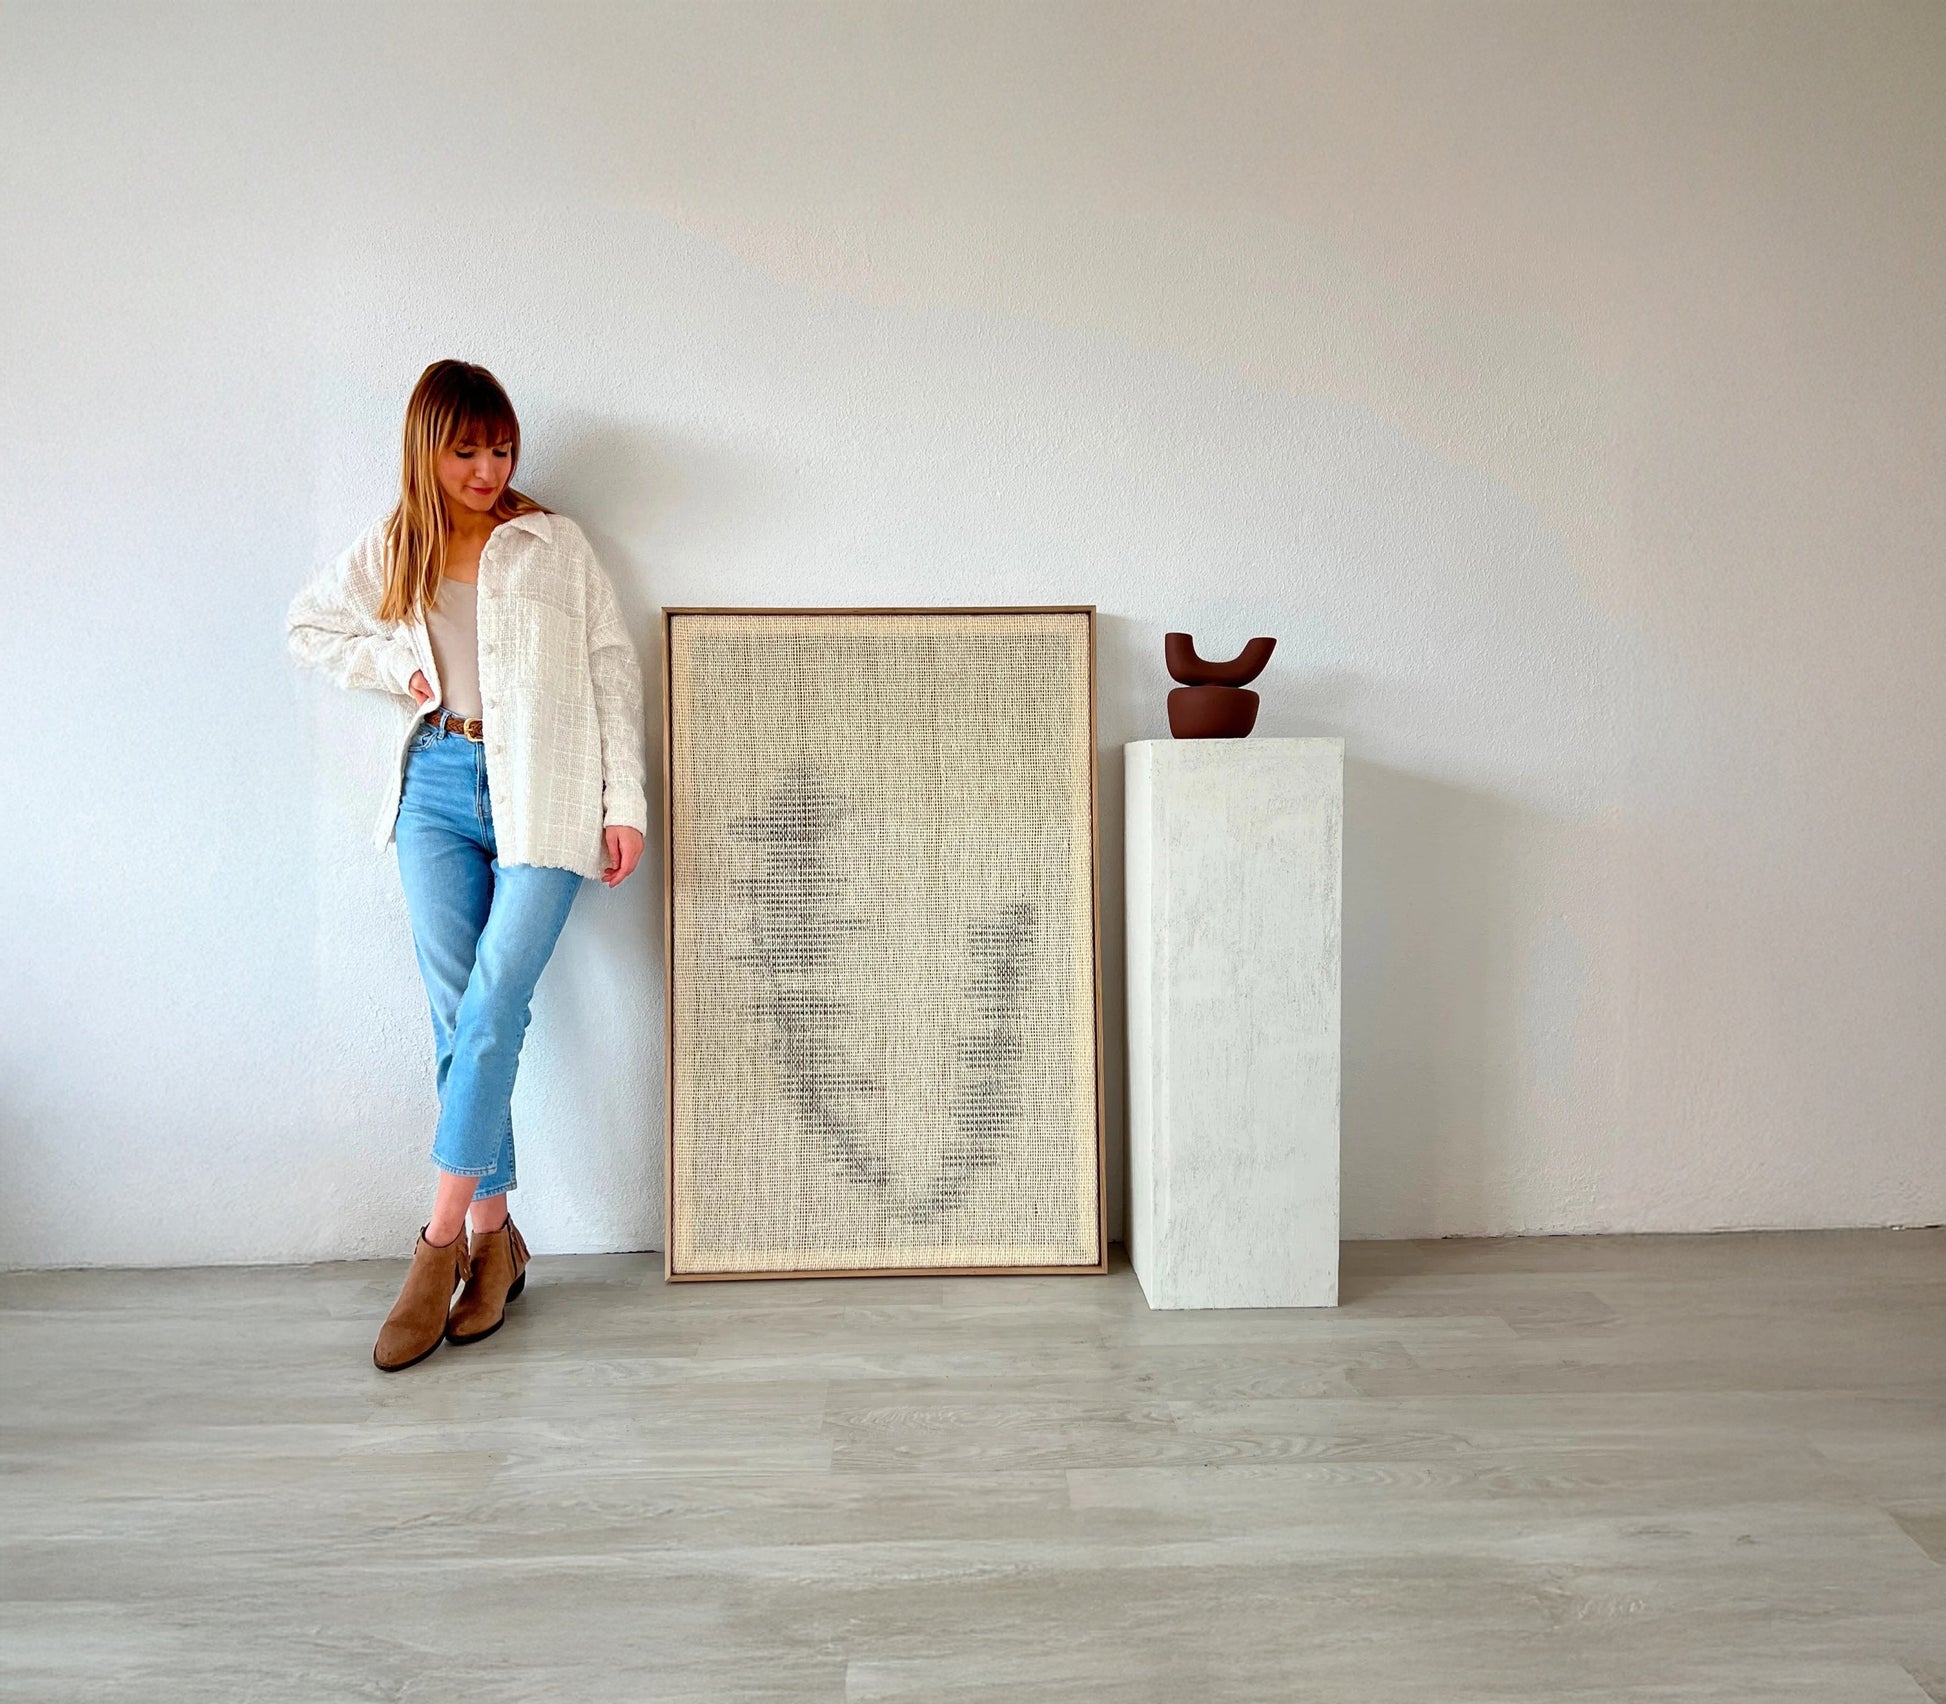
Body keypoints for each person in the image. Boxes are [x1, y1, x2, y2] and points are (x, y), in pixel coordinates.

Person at [286, 359, 648, 1372]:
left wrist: (625, 806)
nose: (488, 469)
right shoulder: (396, 544)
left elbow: (611, 674)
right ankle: (497, 1242)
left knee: (492, 1009)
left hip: (546, 793)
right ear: (427, 449)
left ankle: (435, 1246)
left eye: (501, 448)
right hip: (436, 789)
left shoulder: (552, 545)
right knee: (459, 1018)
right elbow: (309, 626)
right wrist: (394, 668)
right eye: (466, 450)